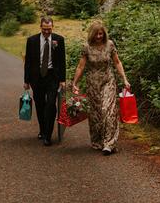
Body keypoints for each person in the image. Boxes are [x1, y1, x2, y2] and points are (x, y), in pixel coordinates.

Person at [71, 20, 130, 155]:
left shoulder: (110, 45)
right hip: (93, 83)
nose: (99, 37)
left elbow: (117, 62)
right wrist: (75, 83)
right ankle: (98, 140)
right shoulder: (86, 47)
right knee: (96, 114)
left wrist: (124, 79)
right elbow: (81, 66)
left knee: (107, 111)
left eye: (101, 34)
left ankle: (109, 143)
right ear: (92, 34)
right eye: (97, 34)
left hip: (108, 80)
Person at [23, 16, 66, 146]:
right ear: (40, 27)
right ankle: (42, 129)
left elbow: (62, 61)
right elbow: (28, 62)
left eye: (49, 29)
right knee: (40, 105)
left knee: (51, 105)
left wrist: (63, 80)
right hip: (37, 77)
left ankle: (48, 135)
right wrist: (26, 80)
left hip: (52, 76)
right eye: (44, 29)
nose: (47, 32)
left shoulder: (59, 40)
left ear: (52, 27)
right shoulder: (32, 40)